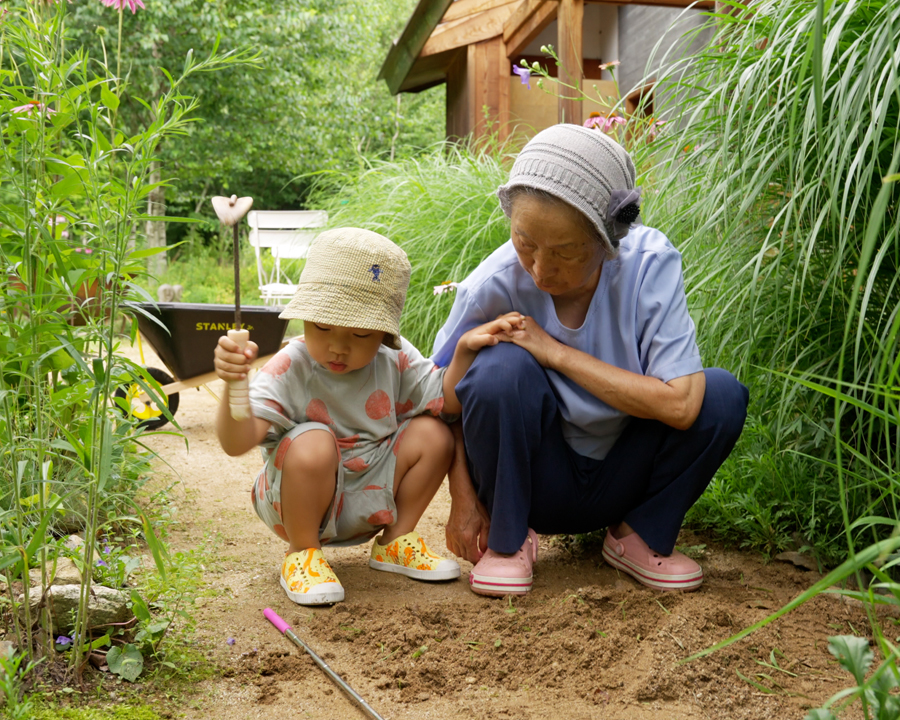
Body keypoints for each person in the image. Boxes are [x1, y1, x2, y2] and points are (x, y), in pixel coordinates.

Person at [432, 124, 749, 596]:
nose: (540, 269)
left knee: (719, 394)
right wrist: (463, 497)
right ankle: (509, 540)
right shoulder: (493, 282)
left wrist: (555, 352)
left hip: (624, 472)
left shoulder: (649, 264)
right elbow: (438, 401)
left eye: (565, 252)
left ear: (607, 239)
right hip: (535, 479)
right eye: (525, 244)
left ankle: (636, 536)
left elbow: (682, 405)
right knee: (499, 370)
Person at [214, 227, 521, 605]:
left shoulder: (392, 359)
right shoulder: (291, 366)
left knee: (433, 433)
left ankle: (394, 541)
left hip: (371, 492)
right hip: (300, 498)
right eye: (323, 327)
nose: (338, 347)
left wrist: (463, 353)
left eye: (360, 334)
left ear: (383, 334)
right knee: (313, 441)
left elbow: (446, 400)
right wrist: (234, 386)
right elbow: (235, 443)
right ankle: (302, 554)